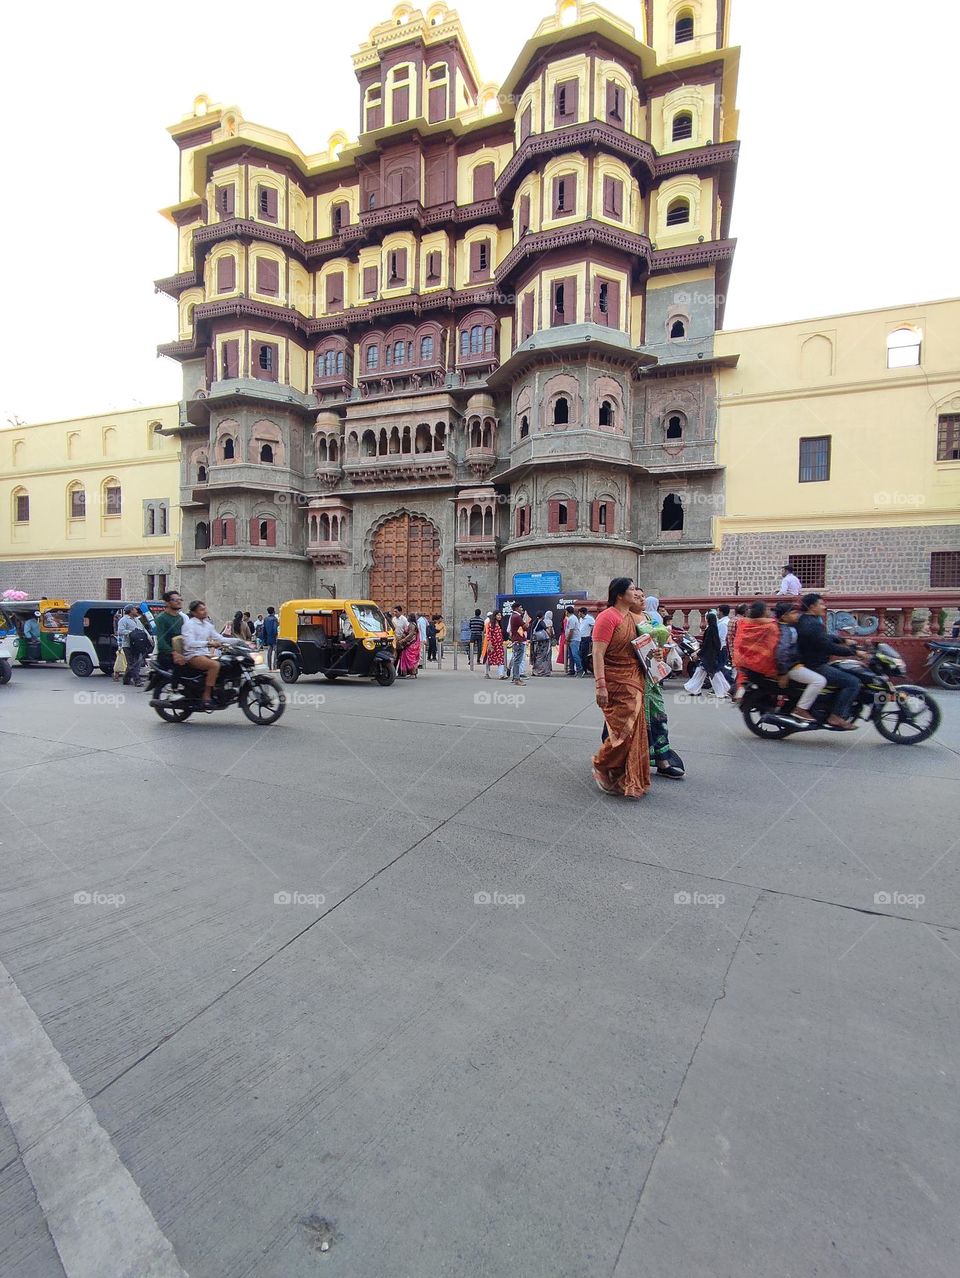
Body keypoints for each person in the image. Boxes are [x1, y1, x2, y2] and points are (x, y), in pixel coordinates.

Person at [591, 578, 651, 800]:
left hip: (635, 678)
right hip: (615, 681)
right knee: (622, 731)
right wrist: (601, 685)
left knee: (634, 731)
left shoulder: (630, 618)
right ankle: (601, 763)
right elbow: (598, 653)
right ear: (619, 595)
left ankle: (622, 774)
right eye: (632, 589)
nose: (636, 593)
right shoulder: (608, 617)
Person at [630, 597, 684, 778]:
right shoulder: (623, 619)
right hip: (632, 677)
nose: (640, 598)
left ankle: (662, 760)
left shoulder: (648, 617)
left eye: (642, 595)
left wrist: (660, 650)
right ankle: (624, 760)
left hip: (651, 676)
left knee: (658, 716)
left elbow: (663, 644)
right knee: (631, 720)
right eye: (635, 594)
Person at [795, 593, 861, 729]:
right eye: (821, 604)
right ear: (812, 607)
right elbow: (827, 646)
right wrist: (855, 652)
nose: (824, 607)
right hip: (815, 665)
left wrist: (843, 640)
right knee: (853, 682)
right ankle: (836, 716)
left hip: (813, 662)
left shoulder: (807, 620)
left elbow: (823, 638)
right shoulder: (812, 624)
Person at [774, 601, 828, 722]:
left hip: (796, 664)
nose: (796, 615)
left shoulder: (791, 627)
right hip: (792, 667)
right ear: (784, 617)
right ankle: (800, 709)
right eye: (793, 613)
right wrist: (783, 672)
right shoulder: (786, 631)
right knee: (819, 681)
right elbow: (781, 652)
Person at [181, 601, 227, 710]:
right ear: (194, 612)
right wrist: (209, 643)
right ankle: (206, 696)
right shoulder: (189, 625)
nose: (204, 611)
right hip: (192, 655)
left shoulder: (207, 625)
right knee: (214, 665)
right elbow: (190, 643)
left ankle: (217, 690)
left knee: (225, 663)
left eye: (205, 609)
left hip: (204, 654)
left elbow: (220, 638)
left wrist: (240, 642)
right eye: (201, 610)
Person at [731, 601, 780, 698]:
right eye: (767, 609)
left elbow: (738, 642)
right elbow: (773, 645)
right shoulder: (771, 625)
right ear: (763, 612)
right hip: (763, 663)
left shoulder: (742, 623)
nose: (769, 611)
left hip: (744, 660)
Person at [684, 610, 731, 698]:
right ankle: (694, 689)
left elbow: (706, 645)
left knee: (713, 674)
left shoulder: (710, 630)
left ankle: (722, 691)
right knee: (704, 672)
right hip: (711, 656)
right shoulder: (714, 629)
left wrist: (699, 654)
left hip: (709, 656)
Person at [154, 590, 187, 667]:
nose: (179, 602)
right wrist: (174, 653)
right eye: (175, 600)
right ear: (167, 603)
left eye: (180, 599)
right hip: (167, 655)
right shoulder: (161, 618)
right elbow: (161, 641)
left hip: (180, 653)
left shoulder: (180, 618)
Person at [117, 605, 147, 687]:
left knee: (136, 662)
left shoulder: (137, 620)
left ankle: (126, 679)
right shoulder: (123, 620)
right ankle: (137, 680)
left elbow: (143, 630)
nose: (136, 611)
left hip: (137, 645)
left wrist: (149, 638)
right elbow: (120, 631)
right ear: (130, 611)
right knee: (132, 663)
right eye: (134, 609)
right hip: (128, 645)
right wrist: (131, 633)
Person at [482, 611, 506, 678]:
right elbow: (489, 635)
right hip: (493, 645)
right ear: (495, 616)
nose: (499, 617)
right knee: (489, 659)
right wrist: (490, 644)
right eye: (498, 615)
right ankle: (486, 673)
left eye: (500, 615)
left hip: (499, 645)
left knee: (500, 659)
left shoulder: (499, 624)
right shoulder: (491, 624)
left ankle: (501, 674)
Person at [508, 606, 526, 685]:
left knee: (516, 659)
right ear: (516, 608)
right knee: (518, 660)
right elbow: (525, 627)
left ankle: (515, 677)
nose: (522, 609)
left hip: (516, 640)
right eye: (520, 608)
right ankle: (516, 679)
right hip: (518, 640)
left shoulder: (513, 616)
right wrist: (527, 621)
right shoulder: (517, 617)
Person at [564, 606, 582, 676]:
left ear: (567, 611)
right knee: (571, 655)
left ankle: (580, 670)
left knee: (575, 655)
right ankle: (572, 670)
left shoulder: (572, 619)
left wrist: (568, 639)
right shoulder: (571, 618)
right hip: (572, 639)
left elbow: (571, 630)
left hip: (574, 639)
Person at [578, 607, 595, 675]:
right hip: (580, 638)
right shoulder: (580, 619)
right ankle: (583, 669)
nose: (578, 614)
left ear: (582, 612)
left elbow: (595, 626)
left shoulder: (590, 619)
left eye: (579, 612)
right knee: (580, 654)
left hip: (586, 638)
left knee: (584, 654)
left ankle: (585, 669)